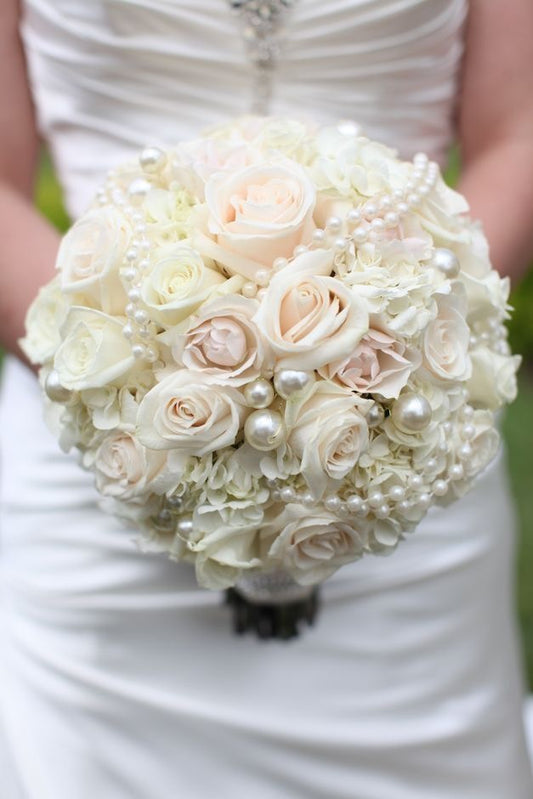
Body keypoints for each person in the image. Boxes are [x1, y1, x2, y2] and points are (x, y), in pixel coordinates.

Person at [1, 0, 533, 796]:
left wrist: (408, 349)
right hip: (100, 495)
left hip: (401, 466)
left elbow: (517, 133)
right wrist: (129, 378)